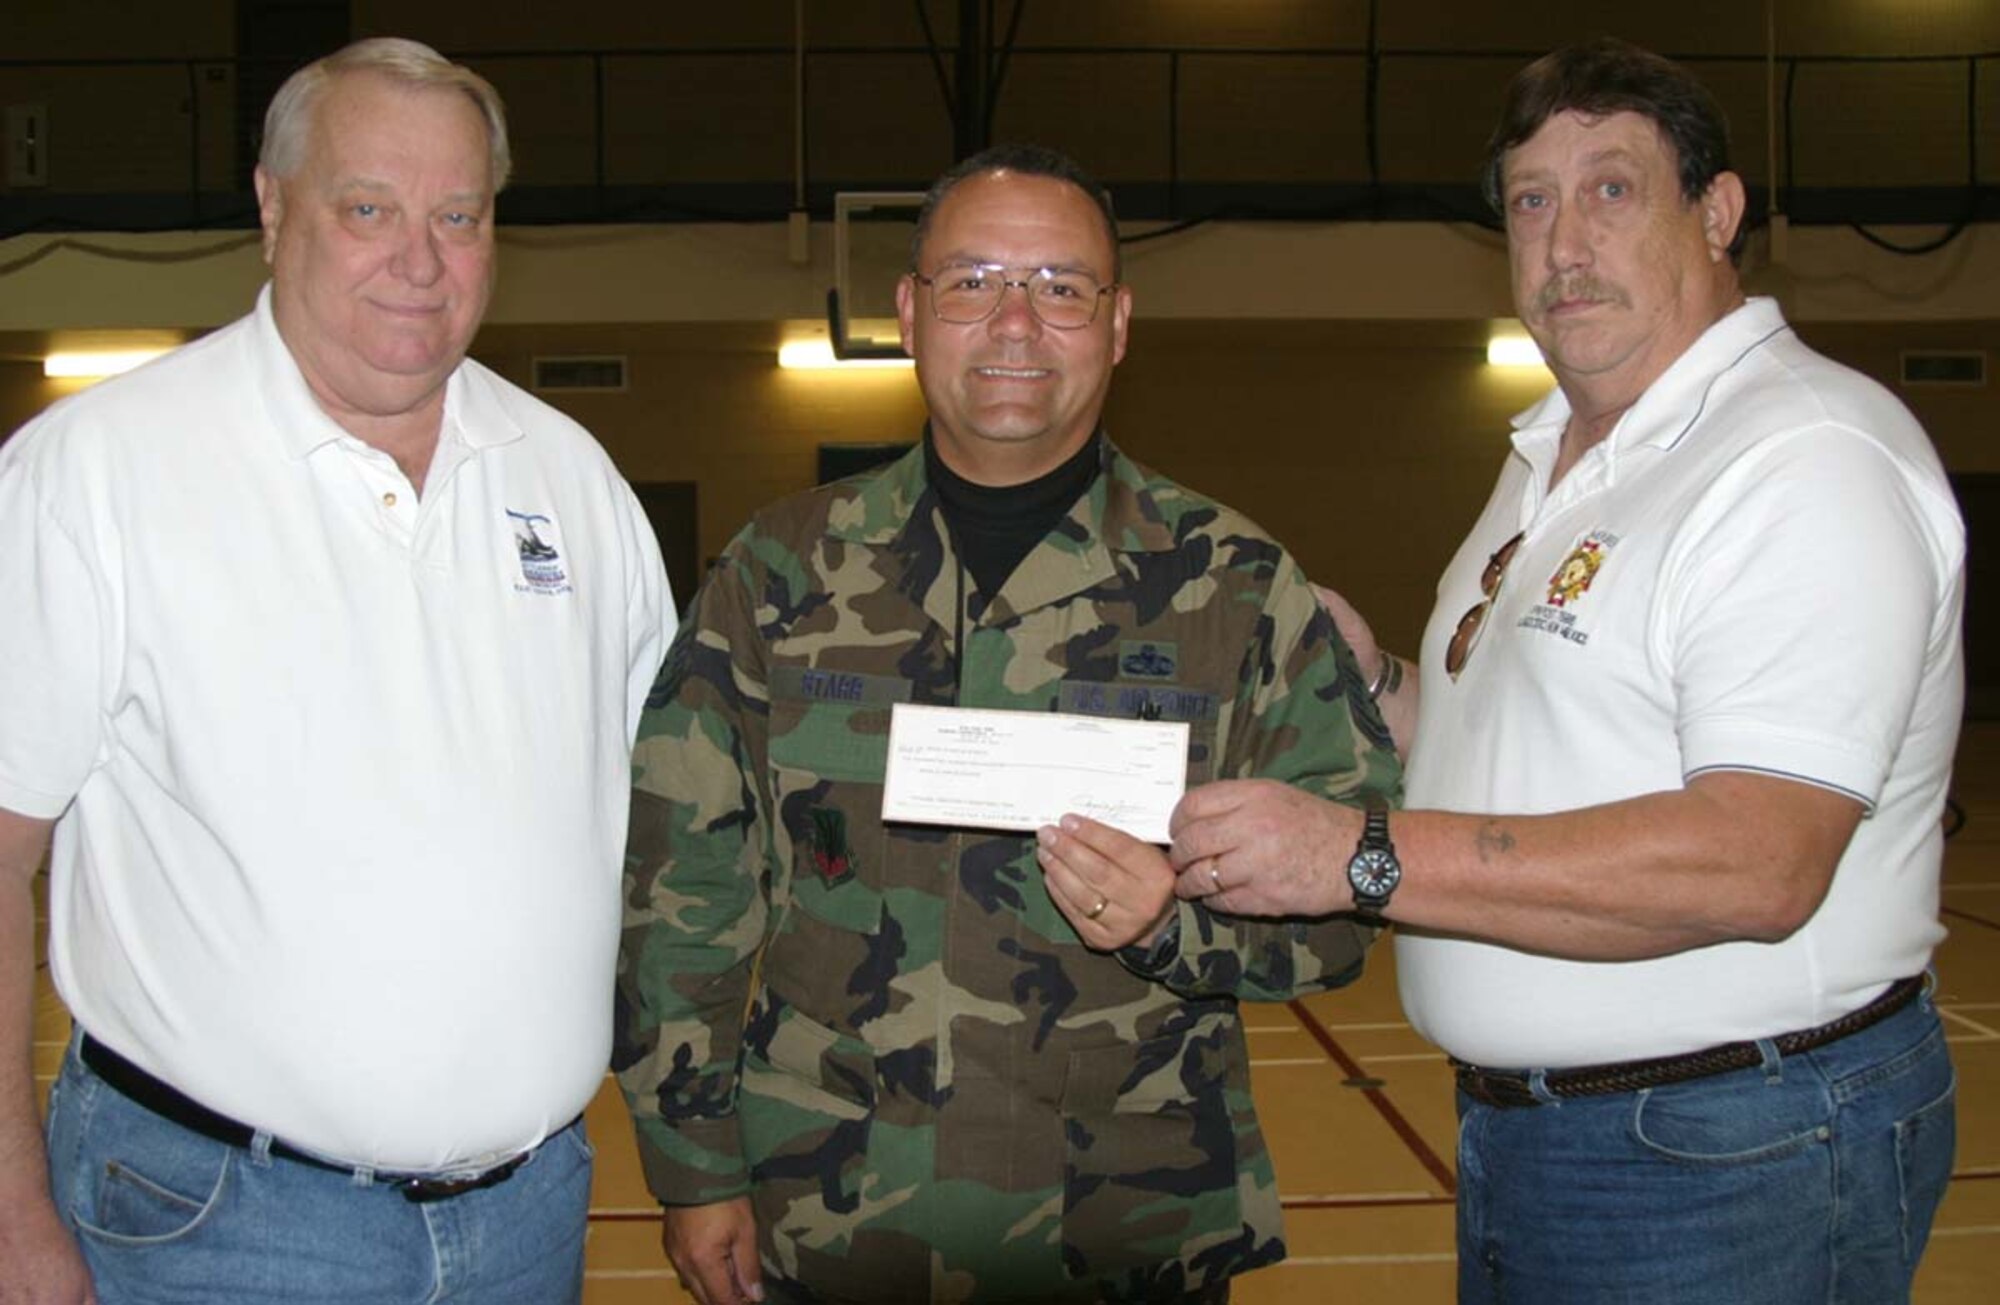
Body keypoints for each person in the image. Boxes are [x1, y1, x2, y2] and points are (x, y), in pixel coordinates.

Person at [1167, 37, 1963, 1305]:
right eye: (1530, 200)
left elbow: (1757, 860)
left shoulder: (1801, 458)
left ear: (1715, 212)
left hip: (1729, 1146)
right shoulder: (1558, 454)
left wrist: (1357, 856)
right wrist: (1377, 682)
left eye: (1609, 188)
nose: (1560, 239)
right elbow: (1524, 749)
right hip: (1548, 1139)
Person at [615, 143, 1400, 1305]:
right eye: (973, 281)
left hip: (1119, 1233)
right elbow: (682, 894)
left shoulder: (1234, 587)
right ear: (911, 310)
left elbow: (1347, 899)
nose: (1016, 323)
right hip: (827, 1223)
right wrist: (690, 1168)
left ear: (1118, 322)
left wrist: (1169, 919)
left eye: (1060, 286)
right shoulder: (779, 574)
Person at [0, 37, 672, 1304]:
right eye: (367, 208)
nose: (417, 261)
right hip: (211, 1231)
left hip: (529, 1219)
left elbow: (682, 807)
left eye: (457, 216)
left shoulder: (568, 475)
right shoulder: (95, 473)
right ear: (272, 206)